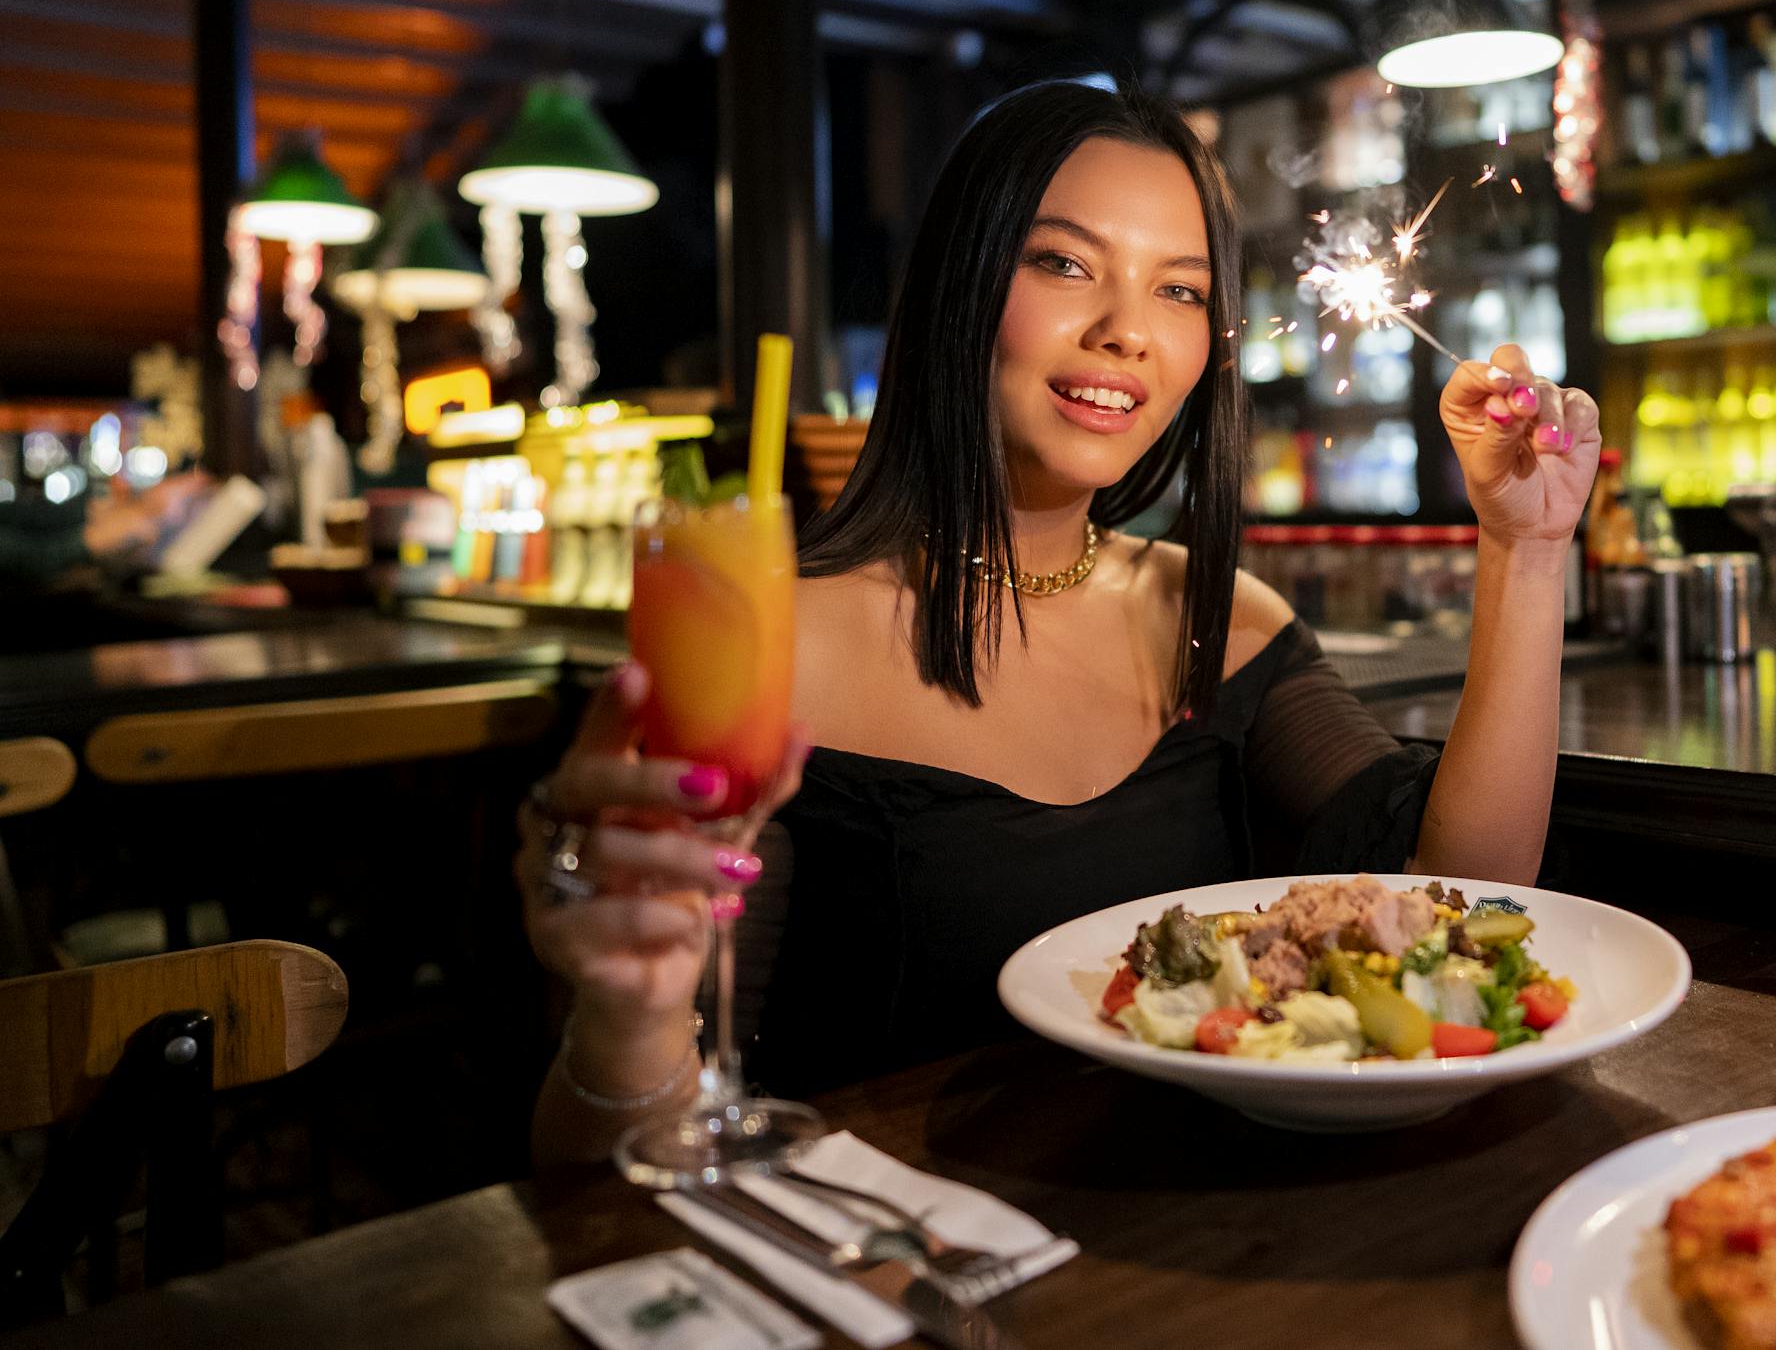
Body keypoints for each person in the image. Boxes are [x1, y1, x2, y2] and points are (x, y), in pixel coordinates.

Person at [519, 82, 1600, 1163]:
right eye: (1064, 263)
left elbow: (1461, 893)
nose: (1126, 331)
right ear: (959, 284)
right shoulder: (769, 646)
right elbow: (620, 1161)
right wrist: (627, 1017)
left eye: (1178, 289)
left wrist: (1526, 549)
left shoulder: (1220, 622)